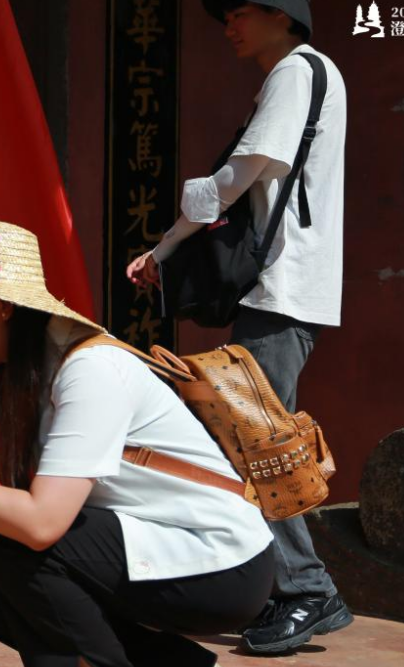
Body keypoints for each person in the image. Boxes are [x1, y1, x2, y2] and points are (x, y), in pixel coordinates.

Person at [0, 220, 277, 667]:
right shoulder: (27, 367)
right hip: (159, 544)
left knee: (13, 552)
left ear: (1, 306)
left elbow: (43, 523)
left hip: (221, 561)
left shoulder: (90, 370)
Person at [125, 0, 350, 654]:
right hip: (283, 289)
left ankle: (307, 589)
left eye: (241, 10)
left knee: (256, 441)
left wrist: (166, 245)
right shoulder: (304, 73)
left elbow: (236, 176)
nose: (228, 23)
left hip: (282, 289)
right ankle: (282, 586)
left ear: (283, 15)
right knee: (252, 437)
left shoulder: (296, 71)